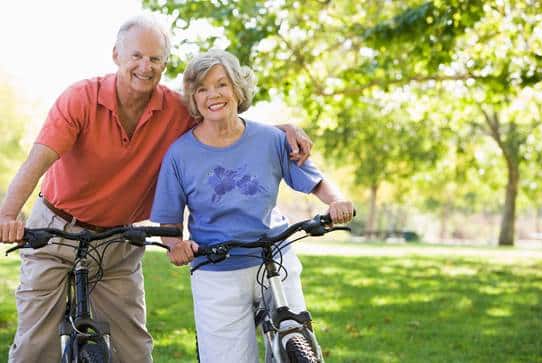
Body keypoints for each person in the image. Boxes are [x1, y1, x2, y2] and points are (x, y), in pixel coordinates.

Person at [0, 16, 312, 363]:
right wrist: (8, 215)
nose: (145, 67)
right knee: (34, 346)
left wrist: (280, 131)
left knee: (133, 350)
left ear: (165, 64)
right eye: (136, 56)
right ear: (117, 55)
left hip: (118, 241)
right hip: (55, 231)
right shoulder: (80, 99)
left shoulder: (175, 110)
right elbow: (37, 161)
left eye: (155, 59)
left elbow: (226, 122)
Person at [150, 49, 354, 363]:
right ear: (193, 99)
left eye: (221, 84)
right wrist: (175, 245)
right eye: (202, 89)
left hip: (275, 257)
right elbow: (168, 223)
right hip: (216, 267)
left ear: (237, 89)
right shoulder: (179, 155)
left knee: (299, 342)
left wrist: (337, 201)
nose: (213, 95)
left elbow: (314, 181)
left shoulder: (271, 139)